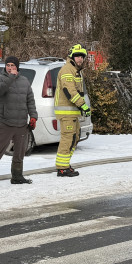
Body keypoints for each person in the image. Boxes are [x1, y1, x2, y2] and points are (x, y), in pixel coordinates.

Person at [0, 56, 38, 187]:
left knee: (20, 152)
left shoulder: (25, 81)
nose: (10, 68)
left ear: (17, 67)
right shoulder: (0, 78)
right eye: (8, 65)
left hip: (21, 124)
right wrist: (11, 77)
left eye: (12, 65)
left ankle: (17, 176)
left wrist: (33, 116)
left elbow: (30, 100)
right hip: (5, 123)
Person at [54, 43, 91, 177]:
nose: (80, 59)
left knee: (73, 138)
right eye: (77, 56)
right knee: (67, 139)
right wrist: (83, 105)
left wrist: (81, 107)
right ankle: (62, 168)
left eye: (82, 56)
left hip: (72, 112)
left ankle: (65, 165)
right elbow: (70, 91)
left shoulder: (75, 70)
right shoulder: (67, 70)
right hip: (67, 113)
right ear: (72, 56)